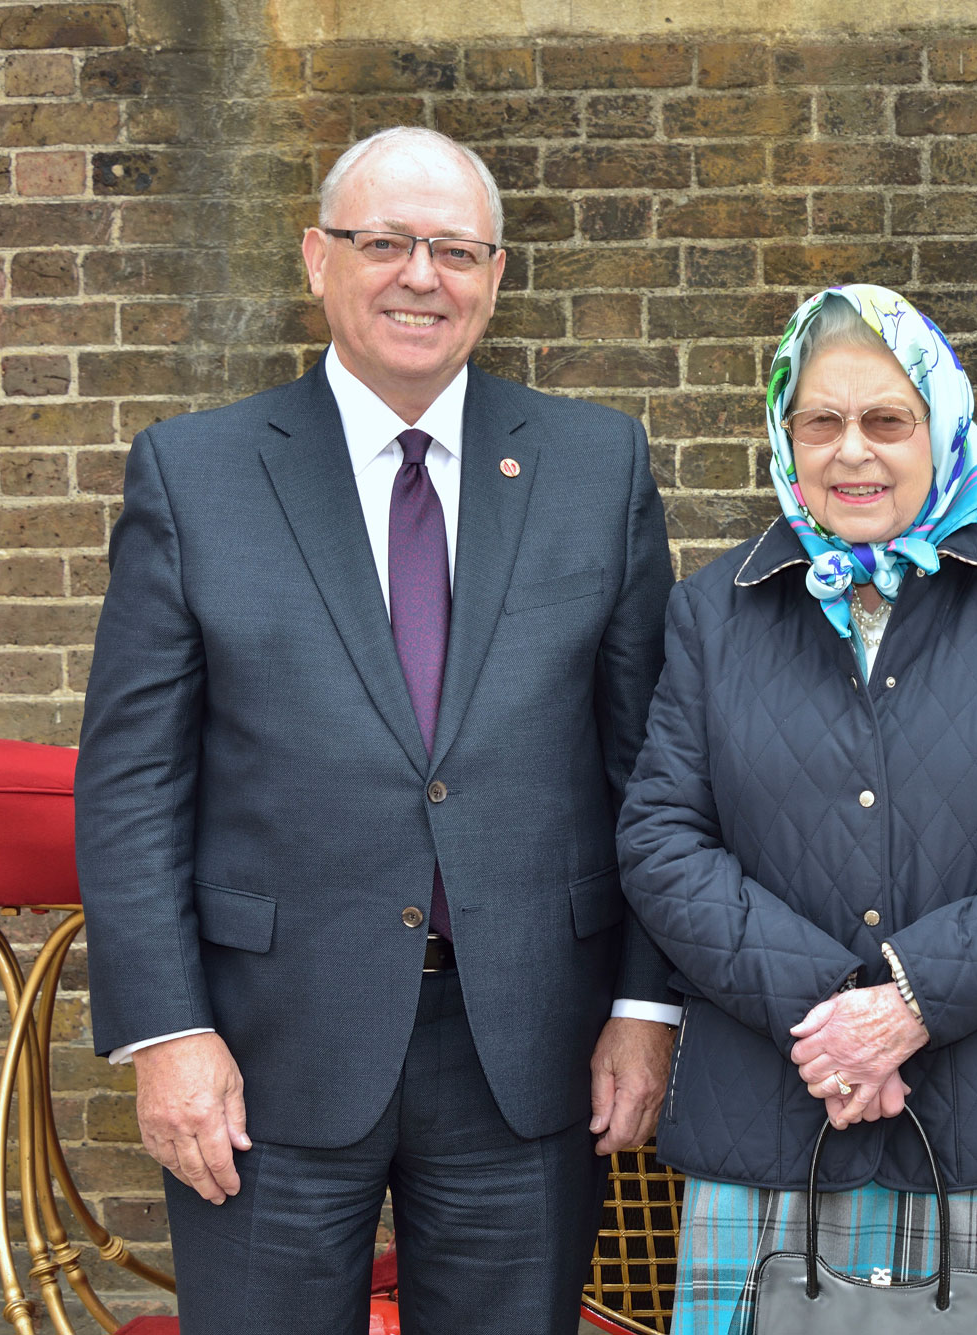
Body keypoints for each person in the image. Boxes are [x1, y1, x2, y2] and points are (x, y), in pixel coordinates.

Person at [74, 126, 681, 1334]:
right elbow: (133, 784)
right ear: (317, 258)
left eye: (455, 250)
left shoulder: (594, 465)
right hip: (262, 1053)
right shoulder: (193, 475)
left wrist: (645, 1007)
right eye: (386, 242)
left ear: (496, 275)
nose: (422, 276)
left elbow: (650, 766)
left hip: (527, 1047)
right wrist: (166, 1033)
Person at [616, 283, 977, 1335]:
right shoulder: (712, 614)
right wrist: (831, 1016)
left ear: (941, 425)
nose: (850, 451)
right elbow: (662, 839)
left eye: (885, 420)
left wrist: (909, 1001)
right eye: (820, 421)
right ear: (785, 433)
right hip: (774, 1101)